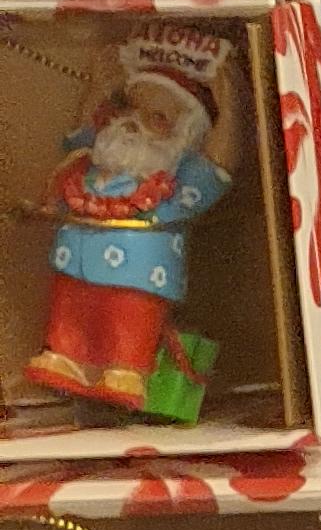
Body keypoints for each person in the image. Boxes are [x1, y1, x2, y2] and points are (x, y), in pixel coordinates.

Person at [19, 32, 245, 416]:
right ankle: (65, 356)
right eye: (129, 107)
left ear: (183, 136)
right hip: (74, 263)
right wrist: (97, 88)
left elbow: (217, 169)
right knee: (70, 311)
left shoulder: (174, 183)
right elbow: (78, 138)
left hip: (138, 276)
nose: (133, 122)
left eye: (156, 118)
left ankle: (126, 367)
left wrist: (232, 107)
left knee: (130, 316)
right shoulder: (90, 164)